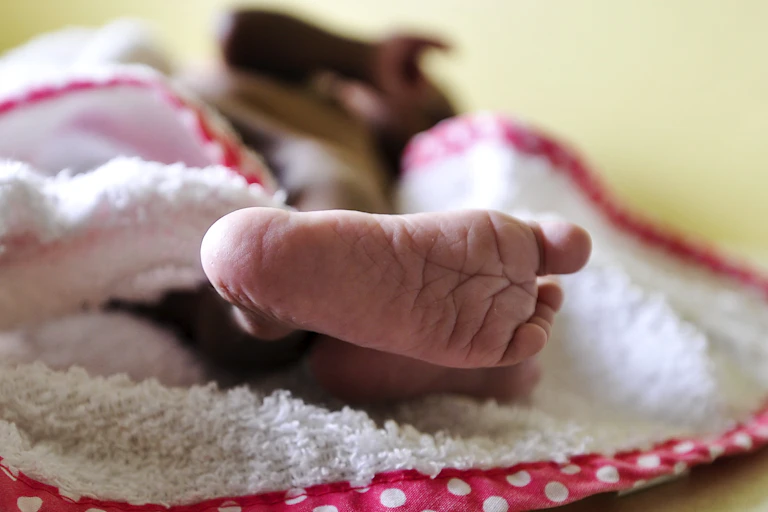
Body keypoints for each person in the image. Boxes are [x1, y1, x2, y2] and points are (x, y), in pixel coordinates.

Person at [132, 9, 592, 403]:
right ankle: (274, 306)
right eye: (421, 92)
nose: (417, 100)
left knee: (199, 299)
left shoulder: (368, 159)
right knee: (326, 175)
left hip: (153, 214)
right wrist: (362, 56)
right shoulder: (305, 85)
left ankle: (263, 313)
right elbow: (237, 28)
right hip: (160, 120)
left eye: (430, 114)